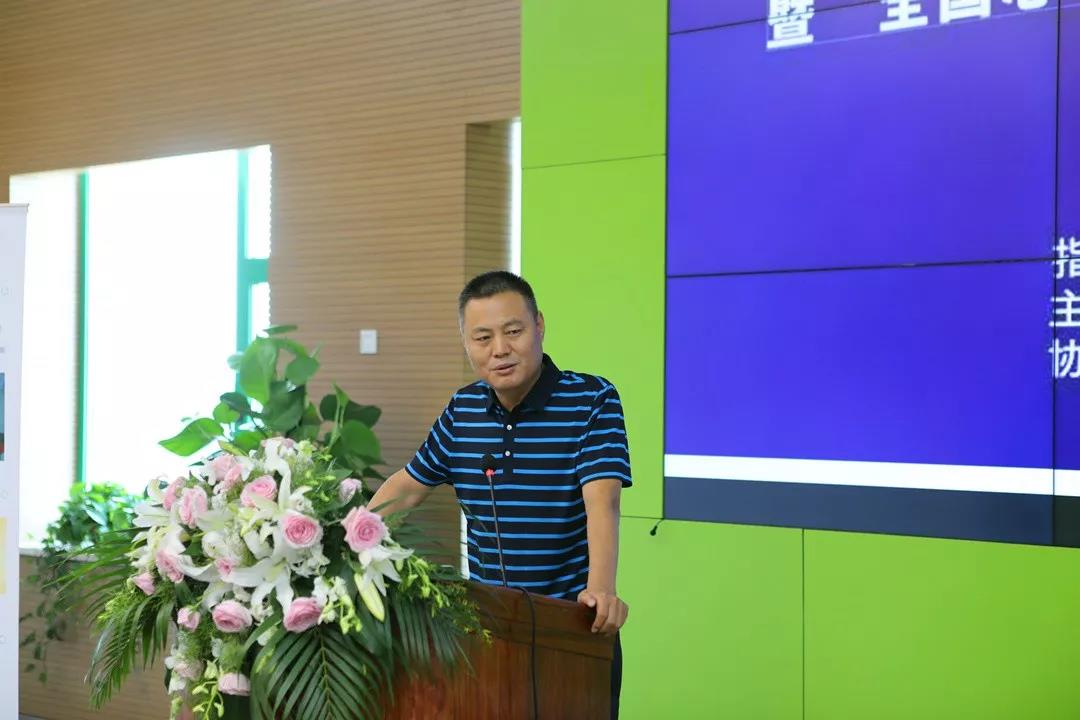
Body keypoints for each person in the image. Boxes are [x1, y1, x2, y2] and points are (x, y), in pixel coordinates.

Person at [368, 270, 631, 718]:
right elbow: (407, 487)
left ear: (539, 325)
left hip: (570, 627)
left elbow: (602, 502)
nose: (500, 349)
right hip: (489, 630)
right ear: (466, 343)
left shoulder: (591, 399)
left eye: (513, 331)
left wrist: (601, 592)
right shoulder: (463, 409)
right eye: (483, 337)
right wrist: (343, 545)